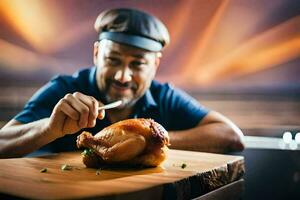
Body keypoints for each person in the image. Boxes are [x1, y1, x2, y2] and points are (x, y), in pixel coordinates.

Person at [0, 8, 244, 158]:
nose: (123, 76)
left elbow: (231, 135)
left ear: (155, 65)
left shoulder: (163, 96)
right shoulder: (66, 90)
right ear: (97, 54)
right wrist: (50, 129)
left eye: (137, 64)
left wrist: (150, 139)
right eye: (113, 60)